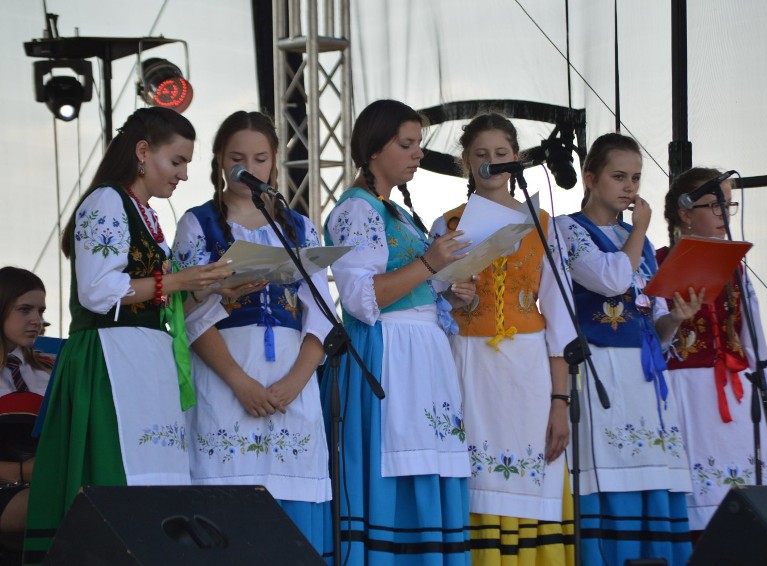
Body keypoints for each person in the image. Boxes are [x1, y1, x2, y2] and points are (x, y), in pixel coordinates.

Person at [24, 107, 232, 564]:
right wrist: (179, 280)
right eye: (176, 161)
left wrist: (219, 290)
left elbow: (157, 299)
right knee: (116, 486)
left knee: (154, 489)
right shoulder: (105, 202)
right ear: (142, 152)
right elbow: (98, 290)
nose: (182, 175)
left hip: (145, 363)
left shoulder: (144, 215)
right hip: (109, 362)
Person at [172, 110, 334, 555]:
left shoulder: (300, 227)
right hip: (226, 374)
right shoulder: (197, 223)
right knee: (227, 514)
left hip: (291, 374)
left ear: (274, 163)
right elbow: (185, 315)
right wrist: (240, 383)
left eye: (260, 158)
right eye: (237, 157)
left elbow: (321, 314)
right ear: (220, 160)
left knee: (290, 521)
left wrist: (298, 381)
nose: (248, 168)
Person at [322, 99, 476, 565]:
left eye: (419, 146)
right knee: (398, 464)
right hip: (389, 354)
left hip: (421, 355)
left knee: (428, 460)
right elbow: (362, 299)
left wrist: (447, 289)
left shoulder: (397, 212)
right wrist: (431, 263)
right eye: (406, 145)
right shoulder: (356, 211)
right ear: (373, 149)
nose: (416, 155)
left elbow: (411, 285)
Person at [430, 113, 576, 565]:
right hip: (469, 364)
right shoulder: (447, 225)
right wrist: (456, 296)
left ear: (516, 159)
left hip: (528, 369)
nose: (491, 162)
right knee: (476, 478)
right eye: (481, 156)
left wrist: (560, 402)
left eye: (501, 155)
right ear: (465, 163)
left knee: (535, 472)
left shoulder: (545, 225)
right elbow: (431, 310)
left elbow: (561, 323)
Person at [556, 133, 702, 565]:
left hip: (645, 377)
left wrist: (676, 317)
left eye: (636, 178)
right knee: (610, 477)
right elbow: (611, 279)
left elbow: (654, 322)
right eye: (618, 177)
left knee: (652, 479)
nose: (629, 188)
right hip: (602, 372)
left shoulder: (638, 241)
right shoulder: (567, 230)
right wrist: (638, 230)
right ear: (589, 177)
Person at [659, 167, 767, 540]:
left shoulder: (736, 270)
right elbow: (654, 336)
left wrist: (761, 383)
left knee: (748, 510)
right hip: (686, 393)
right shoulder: (658, 261)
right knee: (699, 508)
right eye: (715, 205)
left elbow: (751, 334)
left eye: (729, 205)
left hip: (735, 391)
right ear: (685, 212)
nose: (725, 215)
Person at [0, 267, 49, 552]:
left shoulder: (51, 369)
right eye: (25, 310)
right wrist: (22, 471)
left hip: (46, 484)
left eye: (41, 311)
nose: (37, 321)